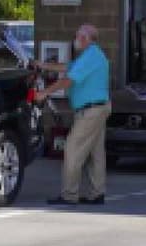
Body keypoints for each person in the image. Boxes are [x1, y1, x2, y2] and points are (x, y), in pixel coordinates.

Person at [33, 24, 111, 206]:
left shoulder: (90, 56)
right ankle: (97, 193)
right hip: (99, 108)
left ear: (85, 39)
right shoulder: (92, 55)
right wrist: (43, 65)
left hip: (90, 111)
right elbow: (67, 67)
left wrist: (44, 93)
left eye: (77, 36)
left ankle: (69, 194)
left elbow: (68, 80)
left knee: (72, 149)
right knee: (95, 152)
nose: (75, 40)